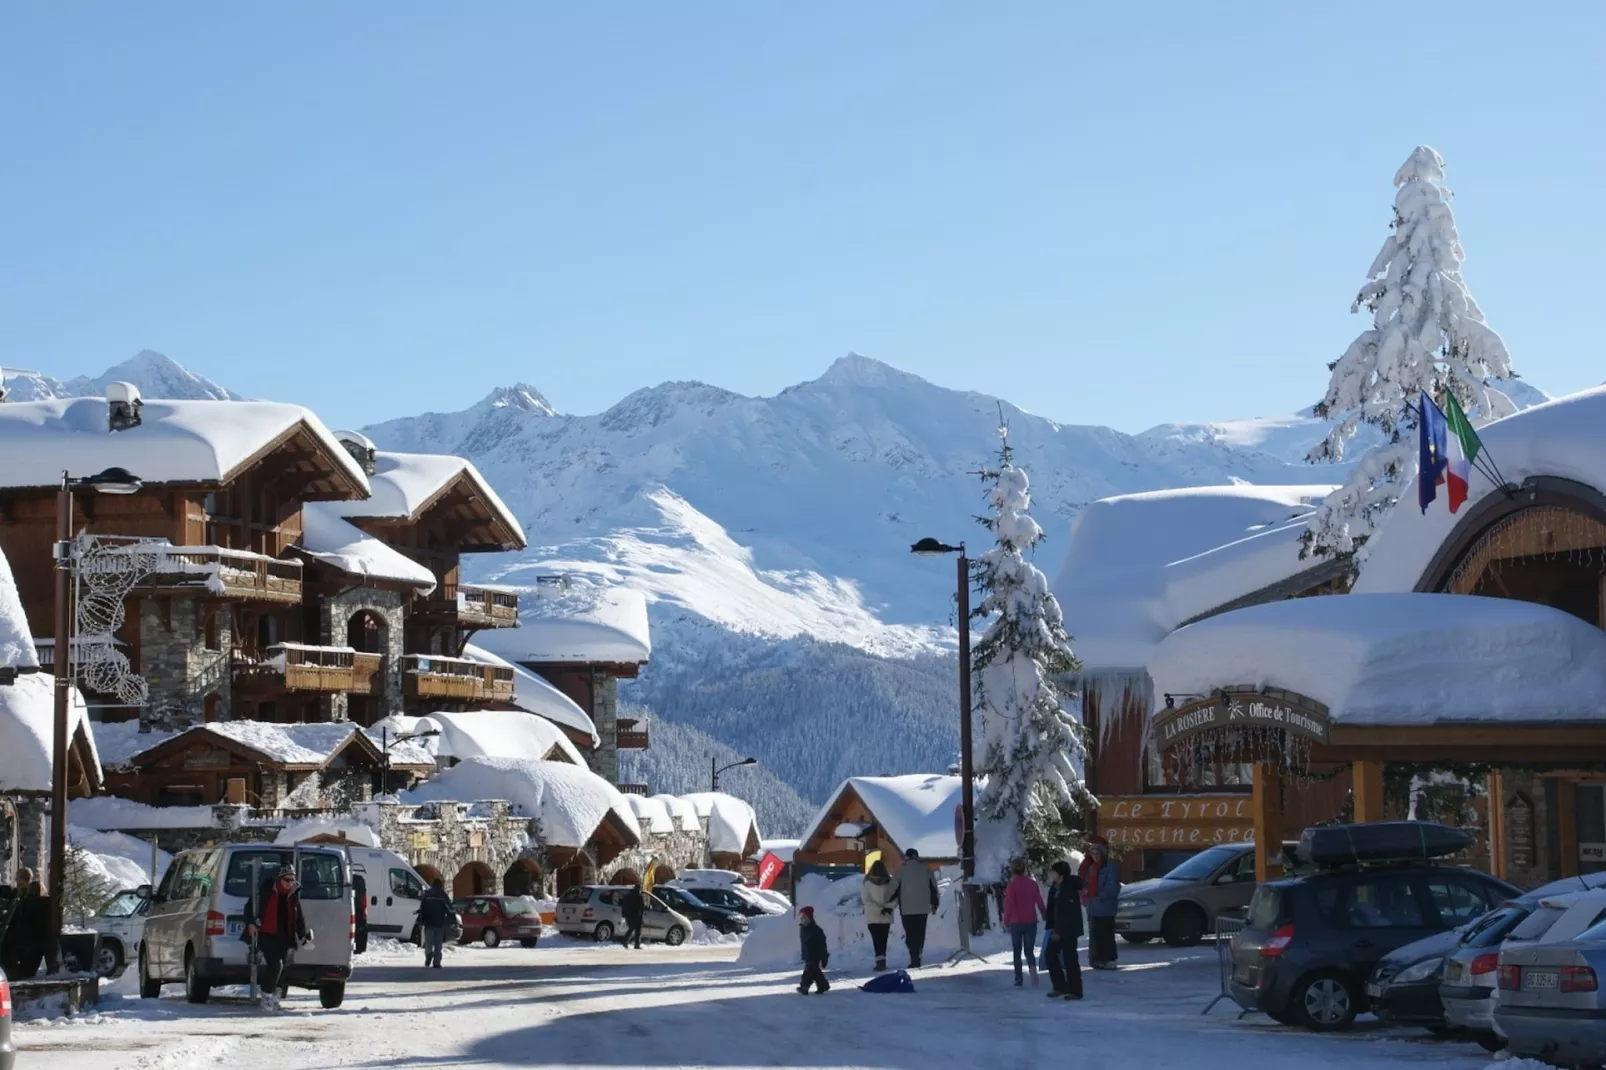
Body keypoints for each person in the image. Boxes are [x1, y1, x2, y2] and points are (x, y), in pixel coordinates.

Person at [244, 865, 310, 1009]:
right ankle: (266, 996)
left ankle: (276, 997)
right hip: (266, 934)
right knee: (276, 965)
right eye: (287, 879)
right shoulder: (267, 891)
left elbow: (298, 918)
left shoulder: (293, 893)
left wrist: (303, 935)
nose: (290, 883)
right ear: (280, 879)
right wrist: (250, 923)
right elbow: (249, 907)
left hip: (285, 936)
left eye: (292, 880)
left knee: (284, 968)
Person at [889, 848, 940, 969]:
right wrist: (934, 904)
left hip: (907, 908)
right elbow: (933, 888)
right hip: (923, 908)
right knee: (920, 932)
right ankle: (918, 954)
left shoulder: (901, 871)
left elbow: (893, 888)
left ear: (906, 857)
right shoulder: (926, 870)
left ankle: (914, 956)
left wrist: (888, 901)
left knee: (910, 933)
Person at [1001, 858, 1047, 987]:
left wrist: (1006, 921)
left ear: (1012, 870)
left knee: (1017, 951)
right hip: (1030, 921)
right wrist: (1044, 914)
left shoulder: (1012, 886)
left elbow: (1009, 905)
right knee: (1029, 950)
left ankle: (1018, 978)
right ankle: (1034, 976)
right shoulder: (1032, 884)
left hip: (1016, 922)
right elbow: (1039, 901)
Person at [1043, 860, 1084, 1000]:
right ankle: (1060, 986)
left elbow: (1068, 913)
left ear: (1060, 873)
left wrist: (1059, 931)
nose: (1052, 874)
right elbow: (1053, 909)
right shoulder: (1056, 887)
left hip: (1068, 930)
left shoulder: (1068, 888)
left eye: (1054, 872)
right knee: (1050, 955)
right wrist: (1050, 926)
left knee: (1070, 959)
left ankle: (1075, 990)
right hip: (1057, 929)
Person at [1080, 837, 1121, 969]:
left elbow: (1113, 888)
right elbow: (1085, 885)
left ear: (1103, 854)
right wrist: (1086, 897)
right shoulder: (1090, 868)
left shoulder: (1109, 868)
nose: (1095, 856)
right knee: (1095, 935)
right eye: (1093, 854)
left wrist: (1099, 896)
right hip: (1093, 907)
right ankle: (1096, 960)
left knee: (1106, 934)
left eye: (1097, 853)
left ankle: (1109, 959)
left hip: (1106, 907)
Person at [860, 860, 895, 972]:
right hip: (886, 914)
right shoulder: (890, 882)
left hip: (872, 915)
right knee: (883, 938)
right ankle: (882, 960)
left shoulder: (867, 883)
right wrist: (887, 907)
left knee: (876, 939)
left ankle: (879, 960)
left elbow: (866, 900)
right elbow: (895, 897)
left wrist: (878, 909)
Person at [418, 876, 454, 969]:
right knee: (438, 944)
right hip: (439, 923)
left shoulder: (427, 894)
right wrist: (452, 919)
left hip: (428, 923)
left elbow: (422, 908)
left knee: (429, 942)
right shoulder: (442, 895)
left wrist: (421, 920)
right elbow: (449, 909)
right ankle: (436, 962)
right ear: (440, 885)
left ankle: (429, 954)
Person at [797, 905, 830, 994]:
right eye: (801, 917)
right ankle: (823, 985)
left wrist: (824, 956)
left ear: (810, 918)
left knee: (808, 972)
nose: (802, 919)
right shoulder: (803, 929)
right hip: (808, 955)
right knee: (815, 972)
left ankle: (804, 987)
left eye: (805, 917)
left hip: (815, 955)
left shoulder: (816, 930)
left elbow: (822, 944)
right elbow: (804, 944)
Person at [620, 882, 646, 950]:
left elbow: (623, 906)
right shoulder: (639, 897)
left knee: (631, 928)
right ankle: (636, 944)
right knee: (638, 930)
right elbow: (642, 907)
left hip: (629, 916)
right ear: (639, 889)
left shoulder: (628, 896)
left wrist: (623, 915)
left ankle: (625, 941)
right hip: (637, 916)